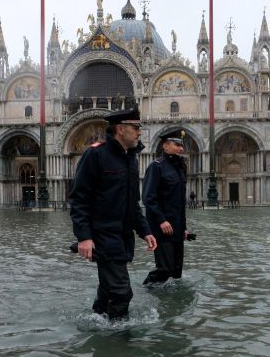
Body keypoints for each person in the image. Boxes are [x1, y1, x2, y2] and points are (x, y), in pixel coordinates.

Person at [69, 107, 157, 321]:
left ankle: (96, 322)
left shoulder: (131, 160)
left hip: (123, 236)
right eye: (135, 128)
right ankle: (120, 343)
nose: (139, 133)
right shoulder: (96, 154)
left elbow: (132, 203)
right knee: (121, 292)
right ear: (120, 129)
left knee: (108, 290)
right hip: (103, 235)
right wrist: (84, 237)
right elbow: (79, 199)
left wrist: (145, 231)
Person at [142, 131, 189, 285]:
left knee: (176, 272)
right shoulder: (156, 167)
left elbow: (180, 203)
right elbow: (148, 199)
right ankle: (147, 289)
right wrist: (161, 220)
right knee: (164, 269)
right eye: (177, 145)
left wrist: (184, 228)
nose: (181, 149)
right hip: (162, 228)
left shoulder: (180, 169)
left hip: (177, 228)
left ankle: (173, 303)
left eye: (182, 145)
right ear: (165, 146)